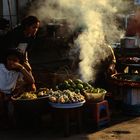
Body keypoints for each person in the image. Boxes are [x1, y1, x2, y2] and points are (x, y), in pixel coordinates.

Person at [1, 15, 40, 91]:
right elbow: (11, 52)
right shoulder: (15, 34)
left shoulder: (31, 36)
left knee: (29, 70)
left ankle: (30, 90)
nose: (36, 30)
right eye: (34, 27)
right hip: (8, 57)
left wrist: (26, 61)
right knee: (25, 70)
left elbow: (26, 51)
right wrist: (22, 63)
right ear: (26, 26)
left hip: (19, 57)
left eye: (37, 28)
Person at [0, 48, 35, 128]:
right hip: (0, 94)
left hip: (10, 94)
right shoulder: (1, 67)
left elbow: (31, 81)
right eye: (9, 59)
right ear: (6, 59)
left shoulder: (18, 71)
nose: (11, 62)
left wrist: (21, 67)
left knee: (31, 88)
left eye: (15, 60)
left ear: (19, 62)